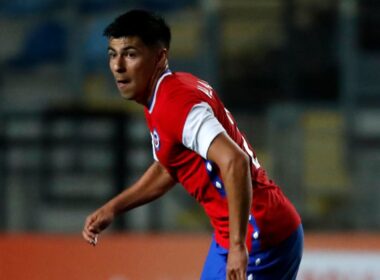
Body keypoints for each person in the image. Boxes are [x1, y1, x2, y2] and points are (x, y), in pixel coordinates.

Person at [82, 9, 303, 280]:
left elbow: (234, 160)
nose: (118, 66)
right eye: (112, 54)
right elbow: (169, 166)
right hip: (233, 234)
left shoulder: (175, 104)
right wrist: (113, 207)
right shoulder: (166, 93)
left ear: (160, 57)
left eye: (130, 54)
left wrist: (238, 246)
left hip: (258, 237)